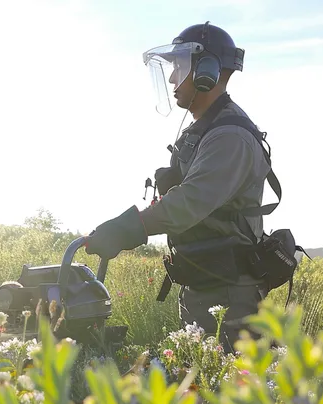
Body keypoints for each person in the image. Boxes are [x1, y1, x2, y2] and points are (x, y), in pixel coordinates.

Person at [84, 21, 276, 353]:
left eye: (178, 68)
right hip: (207, 286)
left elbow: (188, 204)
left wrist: (129, 227)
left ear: (206, 71)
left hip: (229, 297)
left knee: (227, 396)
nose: (172, 79)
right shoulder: (206, 130)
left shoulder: (229, 136)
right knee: (199, 390)